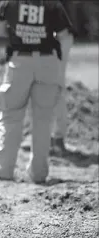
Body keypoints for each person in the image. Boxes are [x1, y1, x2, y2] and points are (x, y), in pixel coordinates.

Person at [0, 0, 74, 183]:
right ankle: (38, 174)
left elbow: (0, 30)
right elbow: (64, 34)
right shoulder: (53, 4)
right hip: (47, 63)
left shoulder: (8, 3)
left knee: (10, 117)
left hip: (19, 62)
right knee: (43, 120)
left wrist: (21, 33)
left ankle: (3, 171)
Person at [51, 0, 77, 154]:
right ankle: (48, 138)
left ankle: (57, 139)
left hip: (60, 36)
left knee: (56, 87)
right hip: (49, 37)